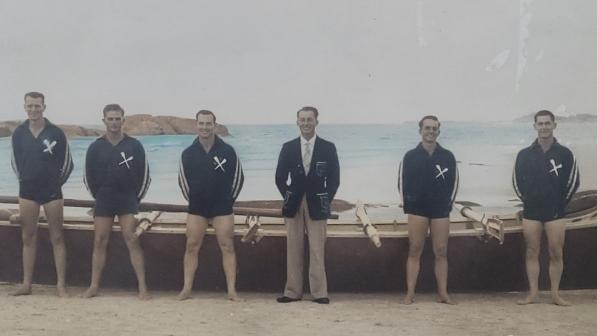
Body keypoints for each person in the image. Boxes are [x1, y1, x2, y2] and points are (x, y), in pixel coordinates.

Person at [82, 104, 151, 299]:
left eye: (117, 119)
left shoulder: (134, 145)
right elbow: (88, 177)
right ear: (104, 120)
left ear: (123, 120)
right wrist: (99, 196)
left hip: (128, 199)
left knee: (132, 239)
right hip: (104, 198)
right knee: (99, 241)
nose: (114, 122)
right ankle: (94, 286)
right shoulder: (95, 147)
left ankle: (143, 288)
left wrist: (135, 199)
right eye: (110, 119)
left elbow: (144, 176)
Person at [10, 91, 74, 297]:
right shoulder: (19, 133)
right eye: (30, 106)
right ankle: (27, 284)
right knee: (28, 236)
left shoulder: (56, 132)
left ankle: (61, 285)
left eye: (37, 106)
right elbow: (15, 163)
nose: (33, 110)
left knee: (57, 236)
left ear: (44, 107)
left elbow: (67, 163)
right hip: (27, 191)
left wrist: (55, 182)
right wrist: (26, 179)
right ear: (25, 107)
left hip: (52, 191)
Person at [513, 109, 579, 306]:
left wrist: (559, 203)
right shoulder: (524, 155)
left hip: (556, 213)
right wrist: (528, 201)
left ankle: (555, 295)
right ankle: (533, 294)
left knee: (556, 252)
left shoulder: (565, 154)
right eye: (540, 124)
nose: (544, 127)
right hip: (532, 212)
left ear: (554, 125)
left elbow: (573, 182)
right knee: (532, 251)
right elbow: (517, 183)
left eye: (547, 123)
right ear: (535, 127)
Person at [275, 106, 340, 304]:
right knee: (293, 248)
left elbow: (334, 179)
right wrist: (289, 197)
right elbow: (279, 178)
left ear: (316, 122)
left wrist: (325, 200)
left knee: (317, 249)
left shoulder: (328, 147)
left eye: (309, 120)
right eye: (302, 120)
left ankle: (319, 293)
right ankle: (292, 292)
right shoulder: (288, 147)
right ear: (297, 122)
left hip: (317, 203)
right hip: (293, 203)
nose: (305, 123)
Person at [177, 110, 244, 301]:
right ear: (196, 125)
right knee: (191, 246)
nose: (205, 127)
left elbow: (238, 179)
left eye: (208, 124)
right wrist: (195, 200)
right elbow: (183, 182)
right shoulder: (187, 154)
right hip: (197, 208)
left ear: (214, 125)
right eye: (201, 123)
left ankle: (231, 290)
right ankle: (186, 288)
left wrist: (227, 201)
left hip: (222, 207)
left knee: (227, 246)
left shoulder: (228, 151)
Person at [398, 115, 458, 305]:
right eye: (427, 128)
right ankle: (410, 294)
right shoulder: (410, 156)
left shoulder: (447, 156)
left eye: (434, 128)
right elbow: (401, 183)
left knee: (441, 251)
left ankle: (443, 293)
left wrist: (448, 204)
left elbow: (455, 183)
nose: (430, 131)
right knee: (415, 249)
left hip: (441, 209)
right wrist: (408, 205)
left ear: (438, 131)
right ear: (420, 131)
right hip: (417, 209)